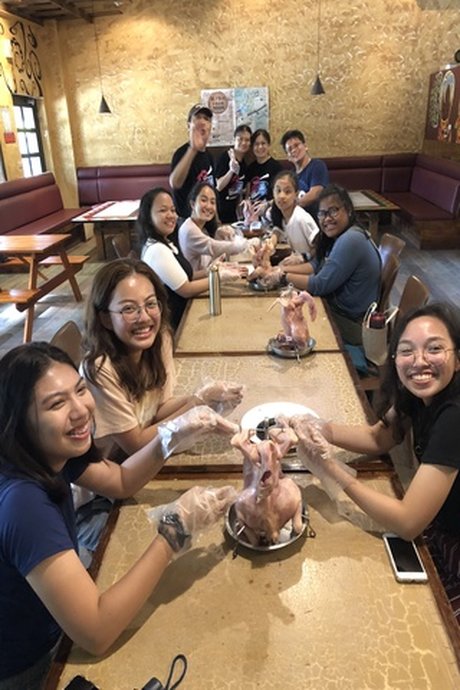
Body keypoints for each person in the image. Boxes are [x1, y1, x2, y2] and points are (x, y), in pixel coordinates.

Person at [0, 341, 238, 688]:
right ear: (19, 422)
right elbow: (96, 633)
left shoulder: (49, 450)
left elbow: (121, 481)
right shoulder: (24, 503)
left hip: (60, 615)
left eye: (79, 390)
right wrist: (174, 531)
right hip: (35, 660)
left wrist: (170, 438)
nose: (80, 410)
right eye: (56, 403)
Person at [287, 302, 460, 617]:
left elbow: (408, 522)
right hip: (438, 520)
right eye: (406, 351)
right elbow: (377, 438)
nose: (419, 361)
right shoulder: (419, 394)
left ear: (458, 358)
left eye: (434, 348)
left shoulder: (454, 419)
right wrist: (318, 427)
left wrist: (331, 468)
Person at [81, 258, 244, 458]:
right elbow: (135, 445)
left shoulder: (160, 339)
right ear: (105, 318)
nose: (144, 317)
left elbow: (157, 409)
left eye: (150, 304)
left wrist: (204, 397)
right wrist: (195, 406)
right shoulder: (99, 369)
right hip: (117, 464)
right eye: (129, 309)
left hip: (150, 452)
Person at [271, 184, 381, 346]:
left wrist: (282, 277)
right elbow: (316, 265)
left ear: (348, 210)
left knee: (286, 321)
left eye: (333, 211)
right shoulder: (341, 236)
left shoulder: (351, 240)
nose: (327, 218)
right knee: (285, 313)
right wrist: (280, 269)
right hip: (338, 311)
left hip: (351, 325)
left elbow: (320, 285)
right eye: (322, 213)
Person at [137, 188, 242, 330]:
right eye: (163, 210)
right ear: (148, 216)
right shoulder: (157, 250)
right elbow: (186, 289)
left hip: (186, 313)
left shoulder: (166, 243)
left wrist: (210, 271)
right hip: (175, 324)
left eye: (173, 210)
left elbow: (185, 276)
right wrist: (218, 277)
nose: (171, 215)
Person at [178, 181, 250, 271]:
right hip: (197, 279)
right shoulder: (189, 230)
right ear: (193, 204)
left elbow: (209, 257)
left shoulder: (201, 228)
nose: (209, 206)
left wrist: (219, 235)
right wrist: (247, 244)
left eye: (212, 202)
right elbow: (214, 248)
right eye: (204, 200)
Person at [169, 104, 215, 219]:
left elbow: (212, 191)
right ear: (189, 125)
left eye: (206, 119)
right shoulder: (181, 153)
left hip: (205, 217)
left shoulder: (209, 156)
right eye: (198, 117)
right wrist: (193, 149)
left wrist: (217, 223)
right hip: (186, 220)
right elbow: (175, 183)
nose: (202, 122)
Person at [268, 170, 319, 262]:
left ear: (296, 194)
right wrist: (269, 245)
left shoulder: (301, 218)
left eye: (287, 192)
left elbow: (320, 247)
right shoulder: (281, 216)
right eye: (278, 191)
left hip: (313, 265)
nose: (281, 196)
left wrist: (303, 257)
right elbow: (277, 230)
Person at [280, 129, 329, 220]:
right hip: (296, 220)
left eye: (297, 145)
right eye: (290, 149)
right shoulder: (291, 176)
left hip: (316, 219)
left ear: (305, 146)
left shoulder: (317, 165)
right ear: (288, 157)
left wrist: (290, 206)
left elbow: (316, 193)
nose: (294, 150)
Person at [215, 124, 252, 223]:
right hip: (219, 211)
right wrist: (231, 170)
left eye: (247, 140)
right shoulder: (225, 157)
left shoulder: (244, 164)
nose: (243, 143)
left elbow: (241, 190)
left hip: (234, 214)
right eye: (240, 139)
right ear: (234, 140)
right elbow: (219, 186)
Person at [244, 129, 282, 221]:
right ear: (252, 147)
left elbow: (281, 194)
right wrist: (247, 203)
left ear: (268, 145)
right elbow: (248, 195)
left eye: (263, 143)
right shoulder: (250, 168)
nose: (260, 147)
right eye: (256, 144)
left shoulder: (277, 167)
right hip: (253, 215)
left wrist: (267, 204)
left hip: (270, 213)